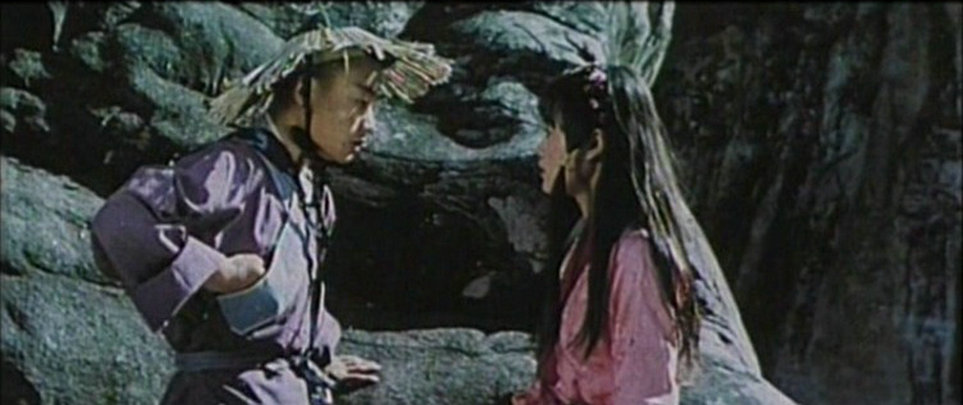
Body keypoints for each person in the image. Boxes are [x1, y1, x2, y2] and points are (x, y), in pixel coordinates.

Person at [89, 26, 451, 404]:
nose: (370, 123)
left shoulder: (315, 195)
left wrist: (315, 359)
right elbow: (119, 220)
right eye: (360, 102)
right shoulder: (233, 169)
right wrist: (216, 271)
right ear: (303, 92)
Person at [512, 62, 701, 405]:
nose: (541, 149)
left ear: (594, 144)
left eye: (551, 132)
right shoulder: (583, 240)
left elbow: (646, 396)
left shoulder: (636, 257)